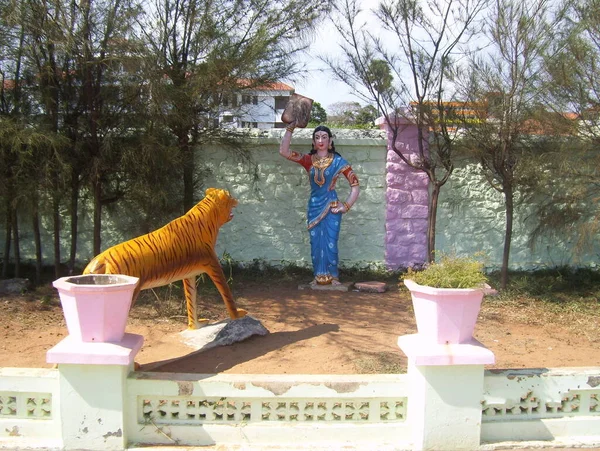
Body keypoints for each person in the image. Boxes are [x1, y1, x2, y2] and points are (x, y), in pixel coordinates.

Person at [279, 122, 360, 286]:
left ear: (330, 141)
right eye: (317, 137)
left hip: (332, 207)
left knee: (331, 241)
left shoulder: (338, 161)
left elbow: (355, 185)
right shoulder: (308, 160)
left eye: (324, 137)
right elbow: (284, 151)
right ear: (313, 142)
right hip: (314, 207)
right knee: (315, 243)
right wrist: (290, 129)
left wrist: (346, 205)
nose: (321, 140)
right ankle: (318, 275)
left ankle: (334, 276)